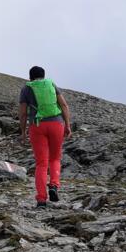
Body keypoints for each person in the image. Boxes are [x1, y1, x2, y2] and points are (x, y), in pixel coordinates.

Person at [18, 66, 72, 208]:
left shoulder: (26, 88)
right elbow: (64, 105)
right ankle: (54, 185)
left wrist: (23, 132)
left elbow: (23, 113)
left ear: (30, 77)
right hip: (56, 124)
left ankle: (41, 199)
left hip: (37, 126)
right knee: (55, 158)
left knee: (41, 163)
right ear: (43, 75)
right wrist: (67, 125)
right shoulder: (51, 84)